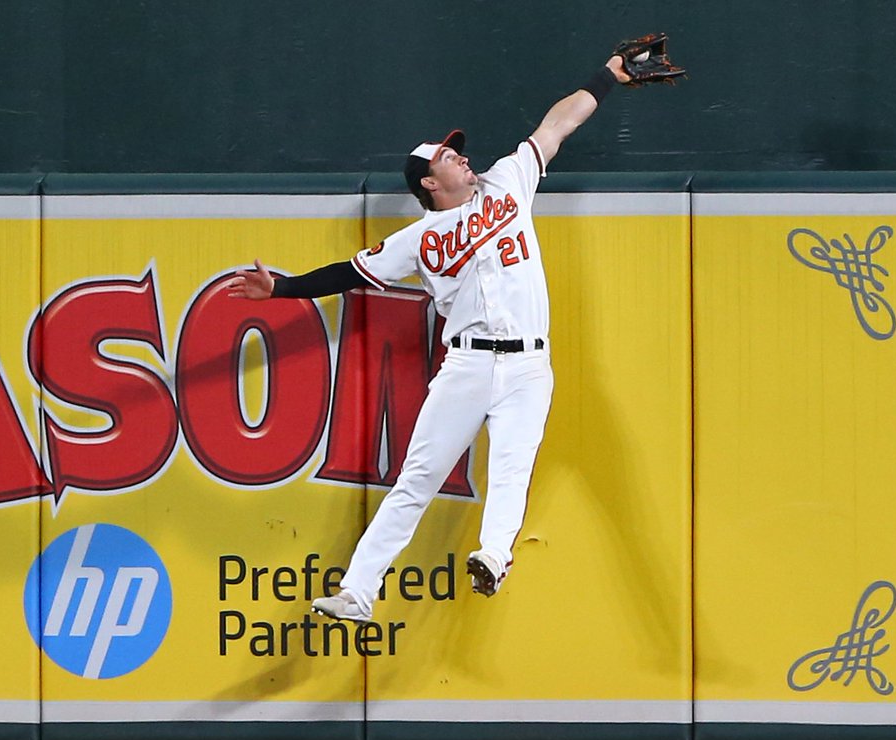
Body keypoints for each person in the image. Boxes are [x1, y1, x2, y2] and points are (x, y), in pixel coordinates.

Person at [229, 53, 633, 622]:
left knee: (512, 468)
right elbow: (349, 273)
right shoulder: (417, 238)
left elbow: (557, 124)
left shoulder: (509, 180)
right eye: (449, 156)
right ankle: (357, 592)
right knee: (417, 478)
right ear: (429, 181)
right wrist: (283, 289)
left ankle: (493, 557)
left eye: (458, 151)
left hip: (527, 366)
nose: (462, 157)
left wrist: (607, 78)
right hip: (465, 367)